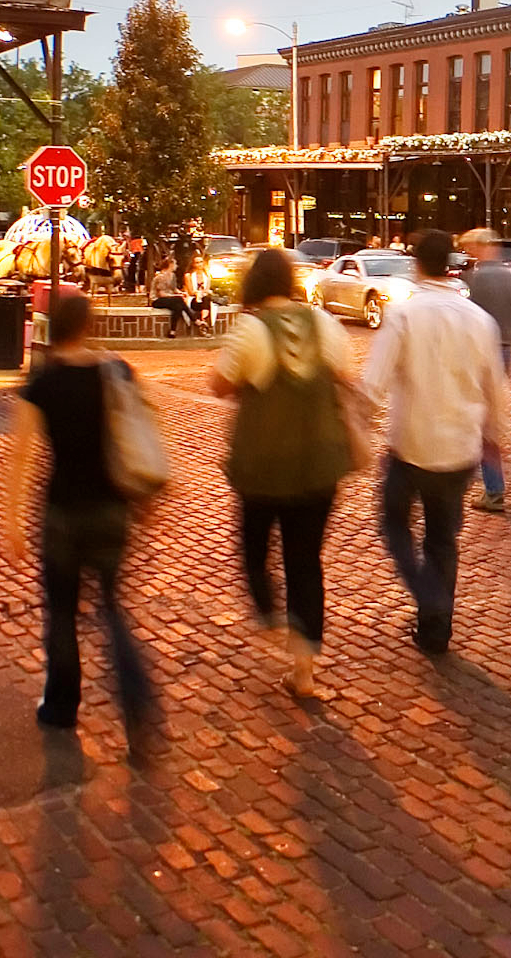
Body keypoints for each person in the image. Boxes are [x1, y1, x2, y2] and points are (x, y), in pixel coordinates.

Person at [0, 295, 160, 754]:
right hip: (111, 509)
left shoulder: (43, 381)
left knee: (63, 613)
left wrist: (11, 519)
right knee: (112, 610)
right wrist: (147, 499)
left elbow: (21, 455)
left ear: (53, 330)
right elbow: (144, 430)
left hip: (62, 513)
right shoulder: (117, 371)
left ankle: (61, 704)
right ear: (88, 326)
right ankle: (137, 705)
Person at [208, 247, 359, 698]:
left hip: (262, 467)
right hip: (318, 466)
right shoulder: (326, 326)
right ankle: (305, 671)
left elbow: (219, 385)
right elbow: (346, 375)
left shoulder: (249, 331)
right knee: (305, 562)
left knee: (254, 548)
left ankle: (268, 610)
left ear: (254, 283)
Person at [363, 228, 506, 654]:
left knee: (393, 524)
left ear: (417, 264)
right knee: (443, 539)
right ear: (452, 265)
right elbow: (495, 390)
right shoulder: (480, 321)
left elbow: (373, 384)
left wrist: (355, 424)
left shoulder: (405, 316)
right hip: (460, 450)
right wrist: (496, 439)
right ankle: (436, 628)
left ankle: (429, 596)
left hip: (411, 445)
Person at [459, 228, 511, 514]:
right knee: (485, 417)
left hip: (480, 352)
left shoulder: (476, 279)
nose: (468, 254)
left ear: (481, 247)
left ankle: (491, 486)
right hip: (505, 350)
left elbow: (465, 322)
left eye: (470, 248)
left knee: (478, 420)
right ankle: (487, 476)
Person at [148, 254, 193, 337]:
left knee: (178, 307)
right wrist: (175, 296)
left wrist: (180, 293)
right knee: (178, 300)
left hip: (169, 298)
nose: (177, 266)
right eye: (175, 264)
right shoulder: (160, 277)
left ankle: (172, 330)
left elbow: (174, 288)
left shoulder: (172, 276)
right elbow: (161, 294)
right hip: (157, 300)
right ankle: (195, 319)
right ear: (170, 265)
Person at [183, 255, 215, 336]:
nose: (199, 264)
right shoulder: (189, 276)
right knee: (205, 302)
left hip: (203, 299)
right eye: (197, 263)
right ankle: (203, 324)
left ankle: (202, 321)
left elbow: (207, 290)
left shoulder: (207, 276)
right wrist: (197, 293)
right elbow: (190, 291)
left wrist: (203, 293)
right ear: (193, 264)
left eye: (201, 262)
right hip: (193, 300)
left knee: (206, 299)